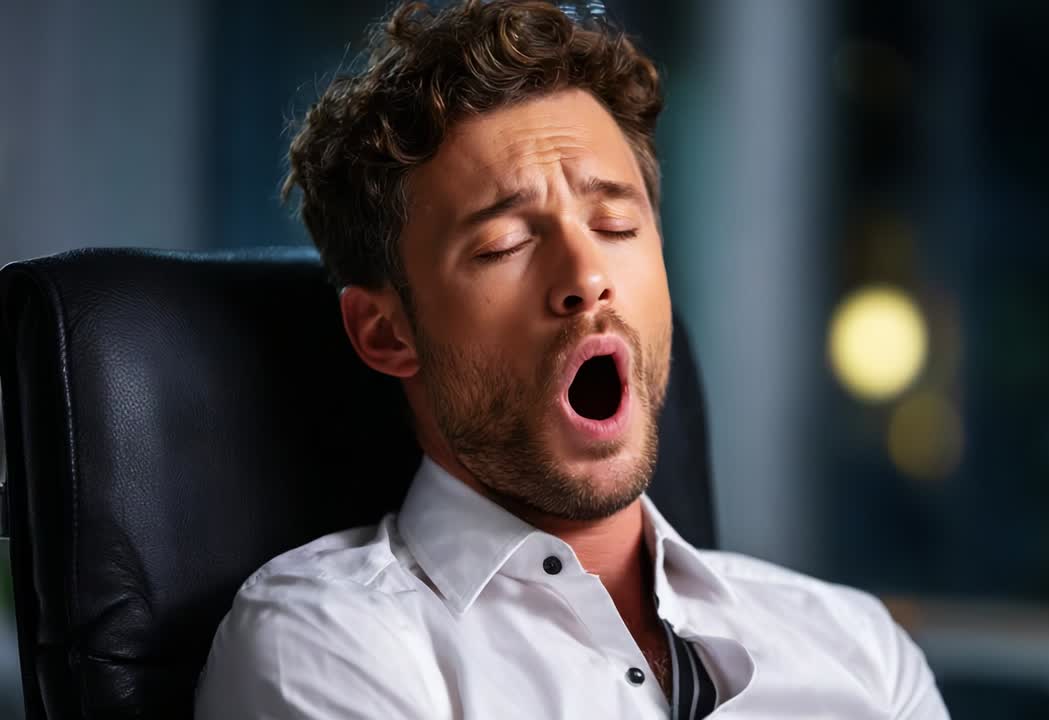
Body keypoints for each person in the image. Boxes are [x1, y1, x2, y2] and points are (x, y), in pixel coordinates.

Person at [193, 1, 949, 717]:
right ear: (387, 333)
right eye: (505, 245)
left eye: (616, 224)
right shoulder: (325, 645)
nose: (587, 278)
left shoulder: (863, 655)